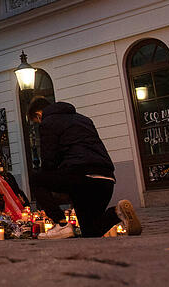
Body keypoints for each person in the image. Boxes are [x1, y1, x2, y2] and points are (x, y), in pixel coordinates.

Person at [26, 98, 142, 239]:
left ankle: (61, 224)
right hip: (105, 178)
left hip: (80, 178)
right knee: (90, 231)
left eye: (37, 121)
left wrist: (53, 190)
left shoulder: (48, 122)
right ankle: (117, 212)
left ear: (39, 114)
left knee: (36, 180)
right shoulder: (83, 119)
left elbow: (50, 159)